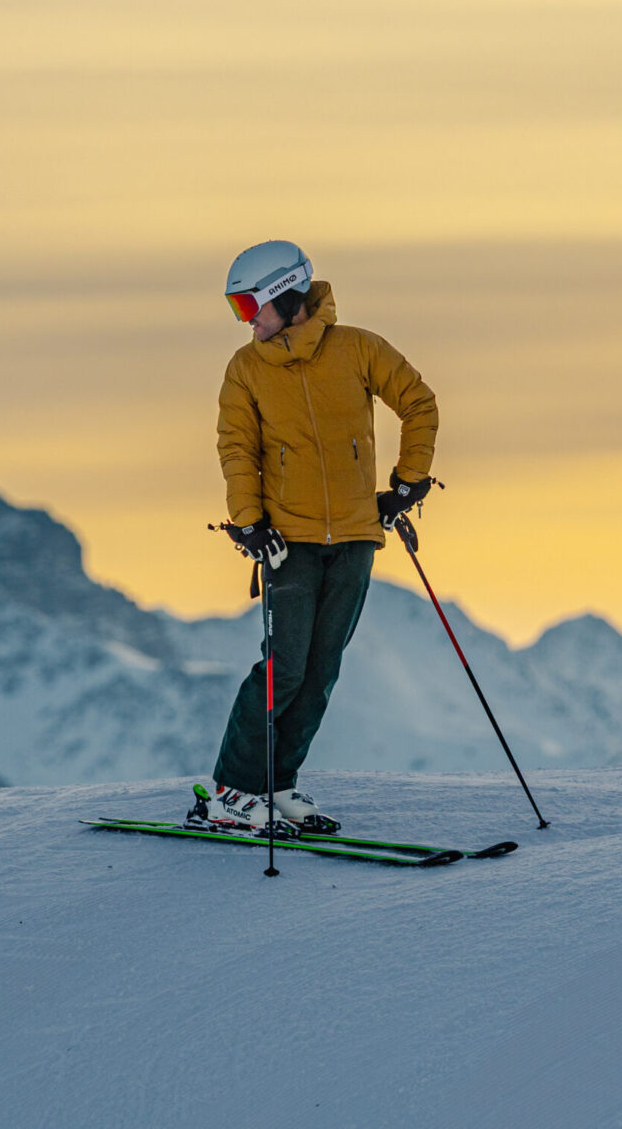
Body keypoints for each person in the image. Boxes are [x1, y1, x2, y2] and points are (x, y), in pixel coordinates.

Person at [188, 240, 438, 834]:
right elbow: (236, 448)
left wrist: (407, 484)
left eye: (249, 307)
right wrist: (249, 522)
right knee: (283, 669)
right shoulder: (246, 370)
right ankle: (232, 792)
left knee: (322, 671)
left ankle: (276, 787)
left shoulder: (358, 348)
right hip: (288, 544)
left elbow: (419, 403)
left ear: (285, 296)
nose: (246, 321)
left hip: (354, 537)